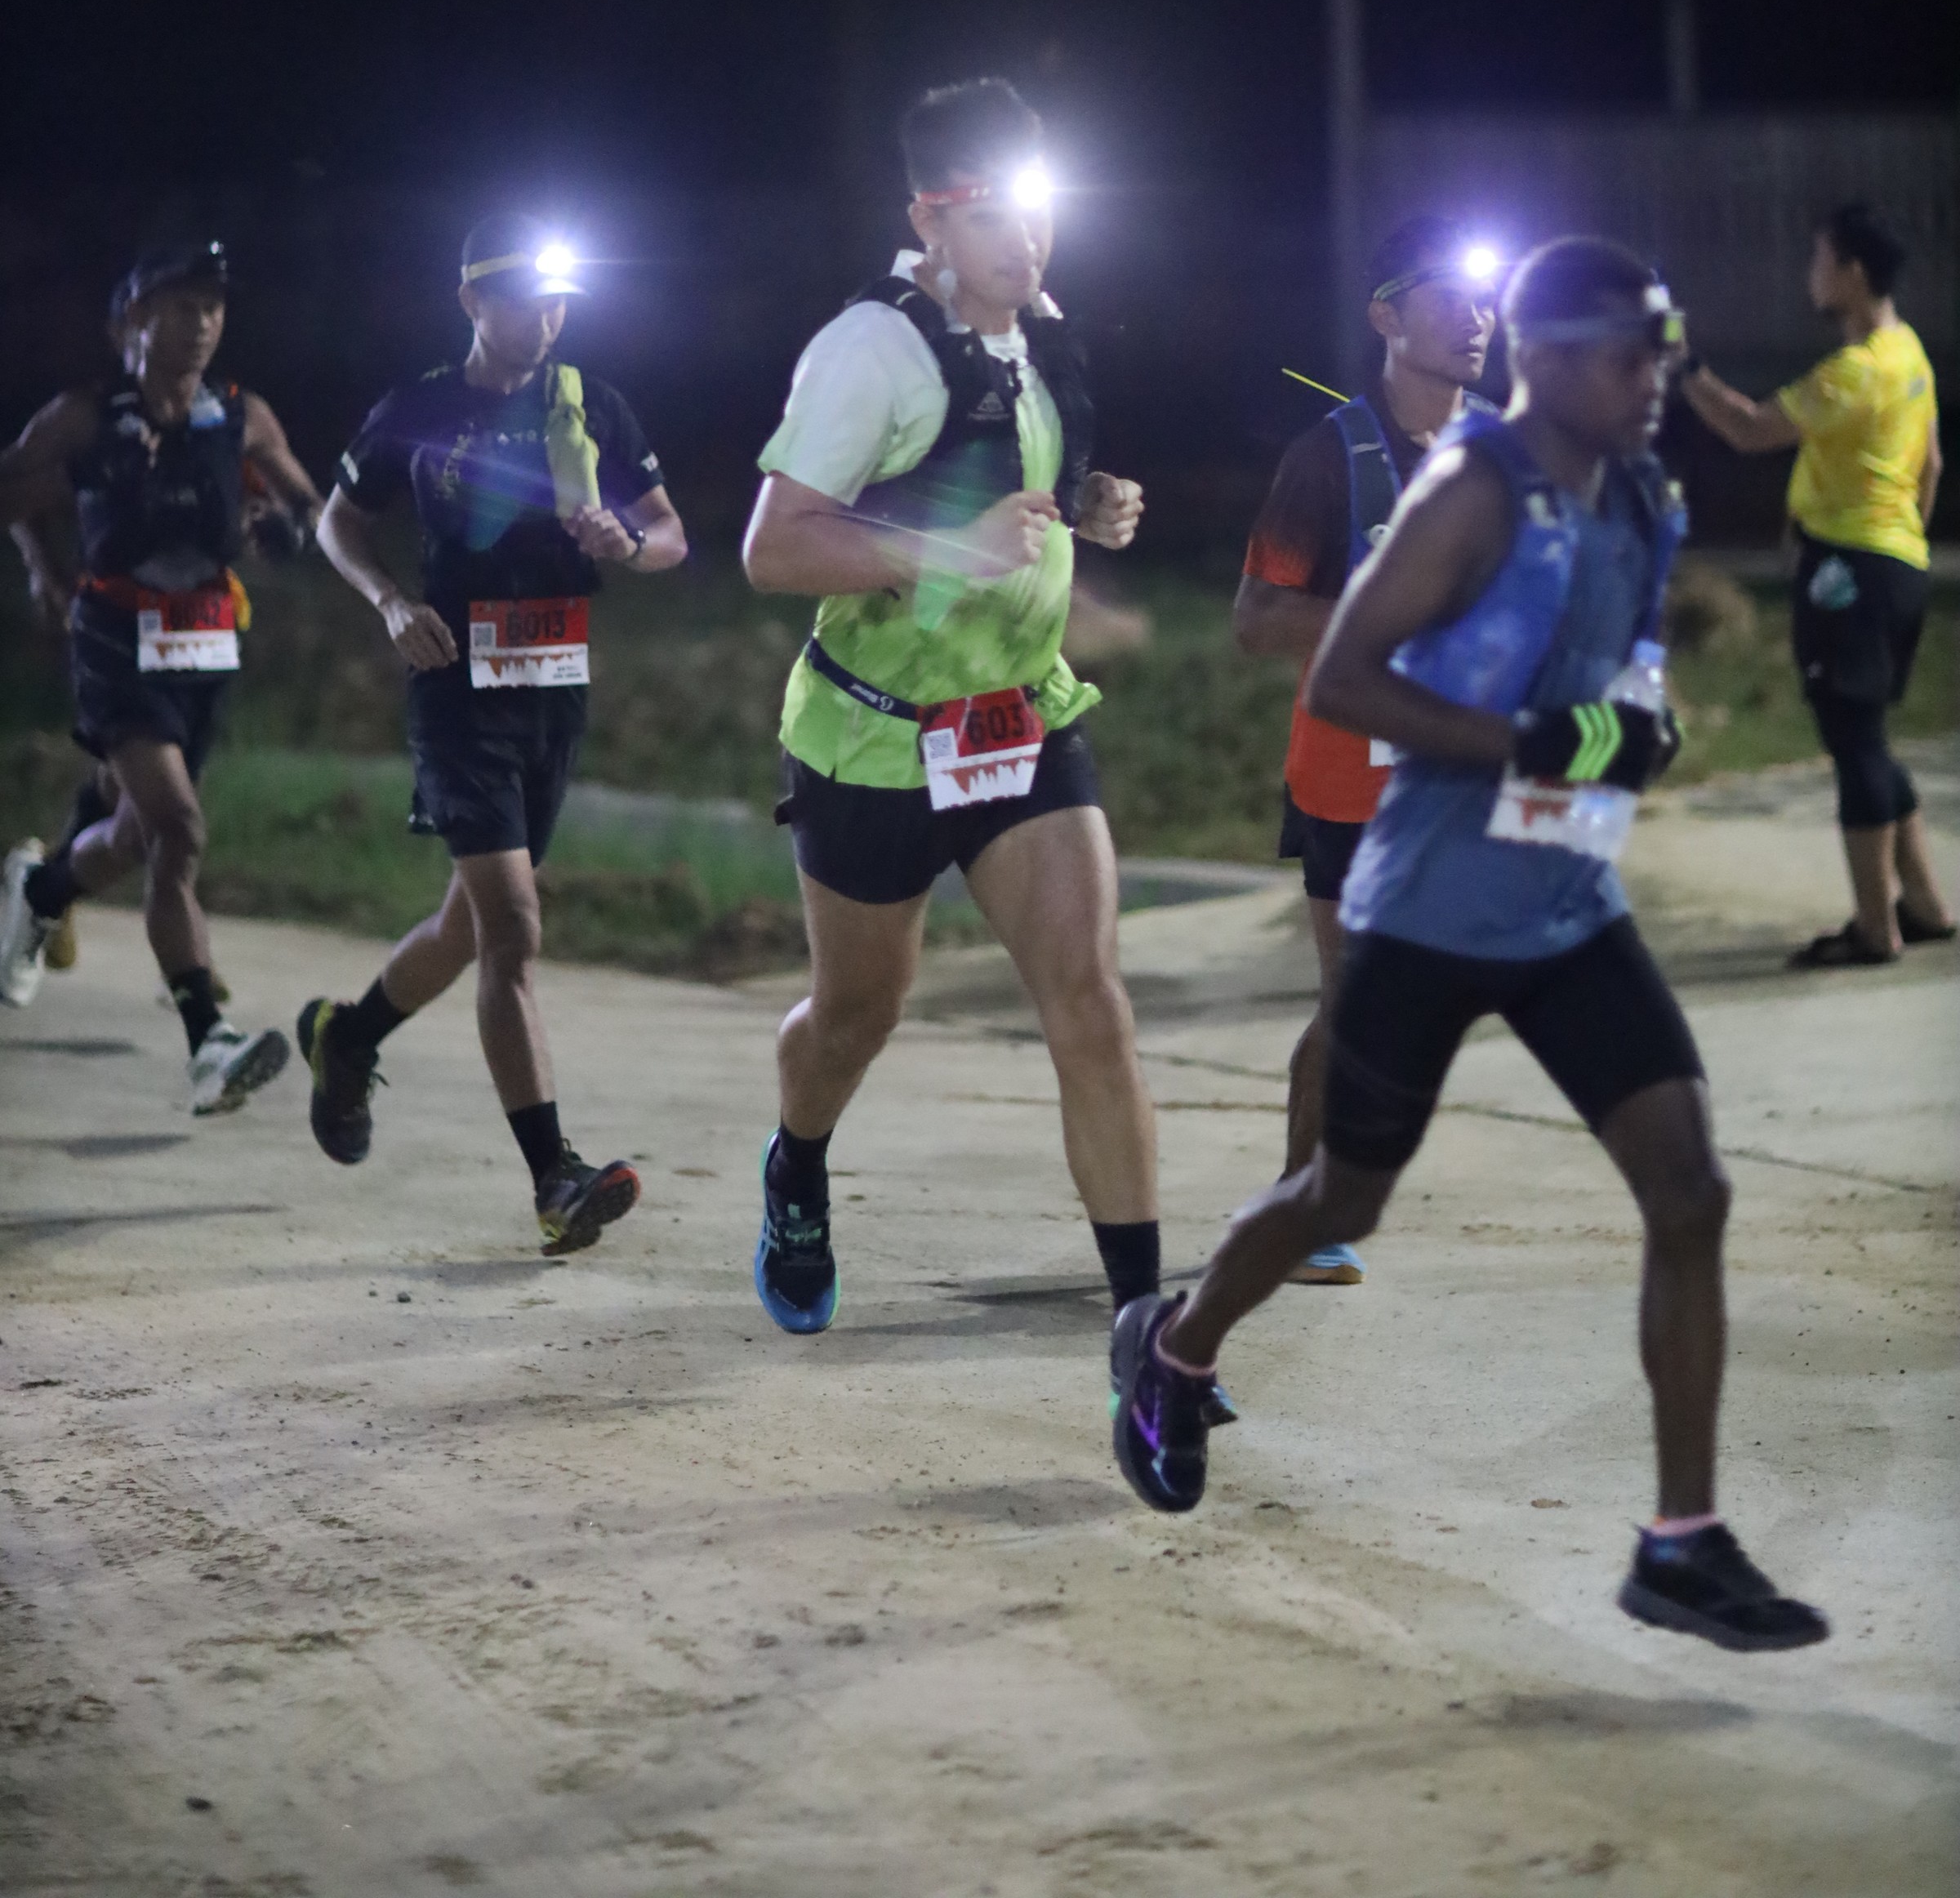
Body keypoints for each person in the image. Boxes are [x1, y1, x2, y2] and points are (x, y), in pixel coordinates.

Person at [1107, 238, 1829, 1655]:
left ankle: (1680, 1542)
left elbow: (1628, 659)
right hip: (1427, 909)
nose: (1655, 380)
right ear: (1549, 362)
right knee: (1342, 1199)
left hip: (1565, 904)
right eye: (1628, 356)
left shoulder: (1644, 494)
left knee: (1690, 1190)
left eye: (1664, 354)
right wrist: (1528, 740)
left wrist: (1643, 720)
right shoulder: (1469, 490)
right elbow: (1338, 675)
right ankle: (1174, 1350)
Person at [742, 78, 1157, 1336]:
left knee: (1090, 1002)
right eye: (992, 217)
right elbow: (775, 548)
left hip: (1021, 720)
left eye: (1041, 208)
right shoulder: (869, 350)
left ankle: (1148, 1333)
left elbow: (1008, 485)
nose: (1027, 242)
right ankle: (797, 1164)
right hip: (878, 737)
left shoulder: (1038, 328)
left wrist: (1084, 506)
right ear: (928, 217)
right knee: (857, 1017)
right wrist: (944, 551)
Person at [305, 215, 687, 1257]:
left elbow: (670, 533)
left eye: (560, 300)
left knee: (468, 926)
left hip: (552, 691)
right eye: (523, 299)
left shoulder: (590, 405)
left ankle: (349, 1035)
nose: (546, 319)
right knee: (513, 927)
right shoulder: (419, 407)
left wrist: (627, 539)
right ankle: (555, 1177)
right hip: (455, 690)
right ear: (472, 301)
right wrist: (390, 600)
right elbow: (337, 520)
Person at [1235, 215, 1497, 1278]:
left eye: (1489, 297)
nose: (1479, 318)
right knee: (1355, 994)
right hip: (1351, 771)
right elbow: (1257, 618)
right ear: (1387, 316)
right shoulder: (1328, 457)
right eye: (1454, 295)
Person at [0, 242, 316, 1112]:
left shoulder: (242, 415)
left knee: (140, 832)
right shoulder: (83, 418)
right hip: (114, 637)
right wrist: (44, 567)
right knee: (178, 828)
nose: (201, 324)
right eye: (181, 307)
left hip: (205, 644)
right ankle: (208, 1041)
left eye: (212, 308)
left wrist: (284, 530)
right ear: (130, 325)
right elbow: (12, 490)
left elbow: (309, 506)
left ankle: (42, 888)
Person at [1680, 200, 1949, 966]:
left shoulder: (1851, 373)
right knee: (1869, 736)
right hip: (1898, 565)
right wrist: (1901, 545)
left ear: (1852, 273)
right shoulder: (1910, 355)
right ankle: (1925, 905)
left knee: (1853, 743)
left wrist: (1683, 367)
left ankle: (1874, 929)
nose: (1812, 274)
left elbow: (1747, 428)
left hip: (1847, 572)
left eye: (1820, 260)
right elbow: (1930, 465)